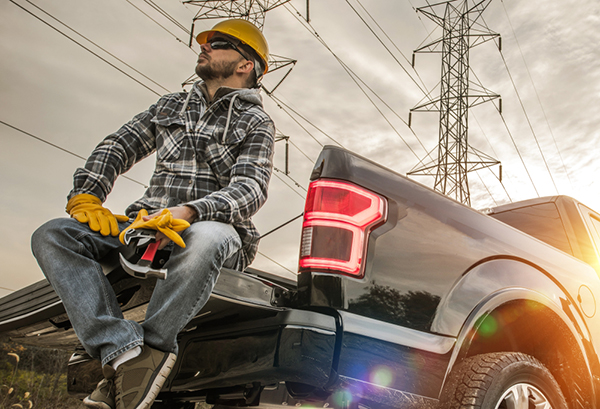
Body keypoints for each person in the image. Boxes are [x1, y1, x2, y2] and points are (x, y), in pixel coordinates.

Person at [31, 18, 275, 409]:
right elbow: (117, 146)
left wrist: (190, 211)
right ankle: (124, 351)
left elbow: (250, 189)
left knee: (206, 238)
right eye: (206, 41)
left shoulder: (256, 122)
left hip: (215, 230)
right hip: (146, 224)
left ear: (246, 65)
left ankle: (154, 348)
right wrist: (87, 195)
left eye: (218, 42)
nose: (205, 46)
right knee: (53, 234)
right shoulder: (170, 106)